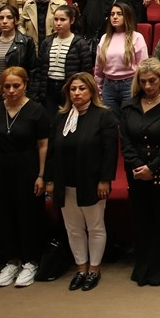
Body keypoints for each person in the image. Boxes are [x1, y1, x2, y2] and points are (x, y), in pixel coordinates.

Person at [0, 66, 50, 288]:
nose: (11, 90)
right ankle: (11, 260)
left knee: (28, 215)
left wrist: (42, 175)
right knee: (4, 214)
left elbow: (43, 145)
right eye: (6, 86)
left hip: (27, 166)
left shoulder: (37, 110)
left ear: (25, 85)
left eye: (16, 86)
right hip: (0, 167)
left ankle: (30, 261)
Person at [45, 73, 118, 292]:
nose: (77, 93)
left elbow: (110, 152)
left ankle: (94, 270)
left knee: (95, 227)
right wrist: (49, 179)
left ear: (92, 91)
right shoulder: (60, 117)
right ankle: (81, 269)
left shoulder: (104, 116)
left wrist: (105, 180)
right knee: (73, 229)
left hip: (92, 182)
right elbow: (51, 151)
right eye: (73, 89)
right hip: (64, 182)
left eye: (82, 89)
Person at [119, 58, 160, 286]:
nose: (148, 86)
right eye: (144, 81)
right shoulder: (129, 105)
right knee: (142, 218)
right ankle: (143, 267)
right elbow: (125, 140)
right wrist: (138, 165)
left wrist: (153, 166)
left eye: (152, 81)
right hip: (136, 170)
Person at [35, 5, 95, 115]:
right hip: (49, 87)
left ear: (71, 20)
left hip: (69, 87)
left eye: (63, 19)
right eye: (56, 19)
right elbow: (40, 68)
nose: (58, 23)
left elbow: (86, 72)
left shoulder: (80, 43)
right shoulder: (47, 42)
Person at [93, 1, 149, 113]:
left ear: (126, 16)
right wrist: (98, 90)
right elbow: (98, 68)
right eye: (112, 14)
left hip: (129, 84)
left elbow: (143, 66)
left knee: (129, 119)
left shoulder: (136, 37)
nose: (115, 17)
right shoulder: (105, 38)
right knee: (110, 121)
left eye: (119, 14)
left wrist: (139, 87)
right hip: (108, 85)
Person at [0, 4, 38, 105]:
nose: (4, 21)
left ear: (16, 20)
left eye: (9, 17)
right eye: (1, 18)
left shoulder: (26, 42)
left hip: (17, 90)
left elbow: (33, 71)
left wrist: (30, 95)